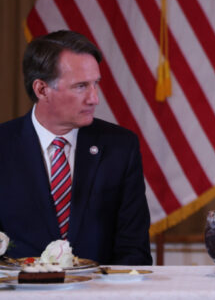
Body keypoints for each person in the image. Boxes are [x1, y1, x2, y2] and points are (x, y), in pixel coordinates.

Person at [0, 30, 152, 265]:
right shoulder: (4, 145)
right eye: (81, 86)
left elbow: (134, 250)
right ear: (42, 89)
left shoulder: (121, 147)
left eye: (95, 84)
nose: (94, 98)